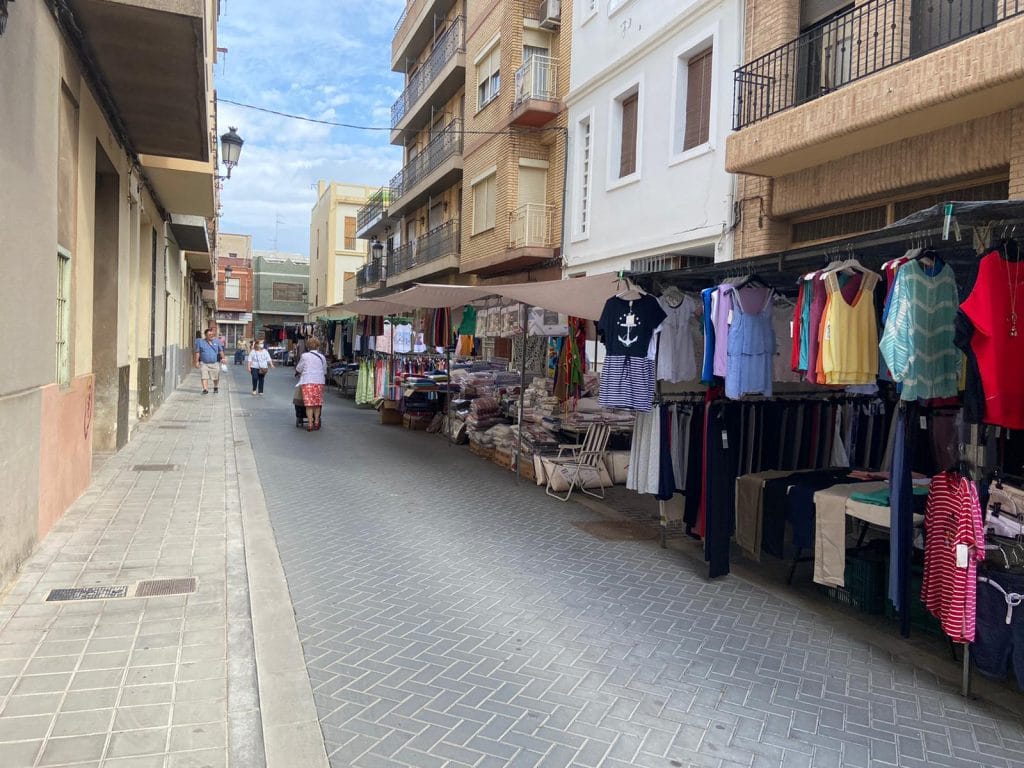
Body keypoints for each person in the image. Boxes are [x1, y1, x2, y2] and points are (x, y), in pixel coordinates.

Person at [295, 337, 326, 431]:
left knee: (309, 404)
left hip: (308, 381)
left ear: (308, 346)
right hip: (319, 381)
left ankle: (310, 424)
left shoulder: (304, 356)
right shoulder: (322, 357)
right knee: (317, 404)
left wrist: (298, 371)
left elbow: (299, 368)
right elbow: (324, 370)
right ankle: (316, 422)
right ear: (318, 346)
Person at [194, 327, 225, 394]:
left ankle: (215, 387)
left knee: (216, 377)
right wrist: (196, 361)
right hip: (204, 363)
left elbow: (221, 350)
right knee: (204, 376)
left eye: (212, 335)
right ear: (206, 335)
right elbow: (197, 352)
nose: (211, 336)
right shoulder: (201, 342)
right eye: (209, 335)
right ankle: (205, 389)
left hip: (215, 363)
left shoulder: (217, 341)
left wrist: (223, 358)